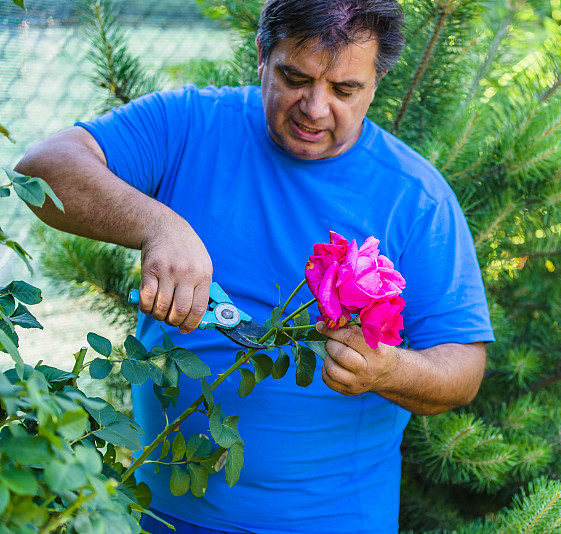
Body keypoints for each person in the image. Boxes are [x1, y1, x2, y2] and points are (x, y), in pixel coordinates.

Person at [14, 0, 495, 532]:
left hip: (329, 521)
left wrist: (389, 369)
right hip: (154, 512)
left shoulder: (416, 195)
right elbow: (43, 170)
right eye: (295, 76)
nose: (314, 107)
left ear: (377, 83)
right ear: (263, 56)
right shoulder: (191, 125)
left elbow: (463, 370)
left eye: (344, 90)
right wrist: (159, 226)